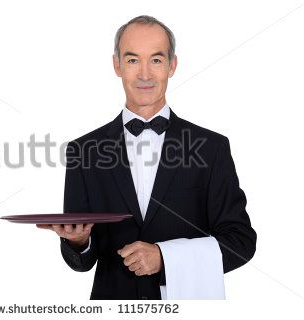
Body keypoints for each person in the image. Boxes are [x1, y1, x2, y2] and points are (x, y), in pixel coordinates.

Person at [37, 15, 256, 300]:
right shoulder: (83, 150)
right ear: (116, 65)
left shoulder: (211, 148)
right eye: (132, 60)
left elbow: (240, 242)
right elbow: (80, 262)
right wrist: (80, 242)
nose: (144, 74)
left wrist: (165, 258)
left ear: (172, 65)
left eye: (155, 60)